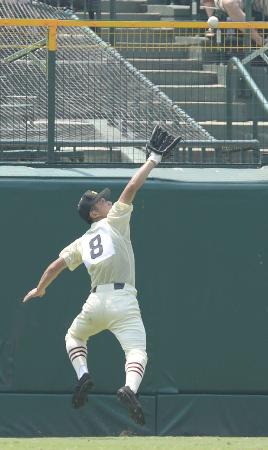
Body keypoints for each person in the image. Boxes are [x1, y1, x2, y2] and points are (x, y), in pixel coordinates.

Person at [22, 126, 181, 426]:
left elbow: (55, 266)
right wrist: (153, 159)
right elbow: (131, 188)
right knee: (136, 351)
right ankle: (129, 389)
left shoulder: (82, 240)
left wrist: (40, 289)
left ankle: (83, 375)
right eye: (101, 202)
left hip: (95, 303)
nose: (108, 203)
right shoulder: (115, 221)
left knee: (74, 336)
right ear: (95, 213)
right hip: (123, 300)